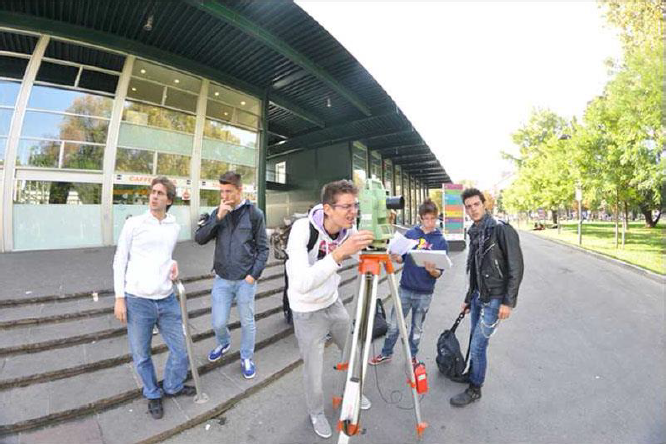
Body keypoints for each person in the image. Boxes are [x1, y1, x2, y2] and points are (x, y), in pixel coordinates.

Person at [285, 179, 374, 439]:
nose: (352, 212)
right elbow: (301, 284)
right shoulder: (303, 229)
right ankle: (316, 413)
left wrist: (387, 250)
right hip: (306, 310)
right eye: (346, 207)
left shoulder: (349, 229)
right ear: (328, 208)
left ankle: (353, 391)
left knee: (351, 350)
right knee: (314, 371)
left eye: (355, 206)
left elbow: (361, 254)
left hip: (332, 303)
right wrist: (339, 254)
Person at [113, 176, 194, 420]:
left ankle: (172, 386)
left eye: (160, 193)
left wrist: (173, 264)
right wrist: (119, 298)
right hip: (138, 300)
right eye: (152, 192)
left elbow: (164, 254)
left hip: (167, 298)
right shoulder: (134, 224)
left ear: (169, 200)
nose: (154, 196)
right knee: (141, 355)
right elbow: (120, 260)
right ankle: (152, 393)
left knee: (181, 350)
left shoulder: (174, 226)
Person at [450, 188, 524, 407]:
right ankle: (472, 373)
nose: (473, 209)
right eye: (468, 206)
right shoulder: (474, 231)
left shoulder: (501, 230)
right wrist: (468, 297)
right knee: (474, 339)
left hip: (495, 298)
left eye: (476, 204)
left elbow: (516, 267)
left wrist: (508, 302)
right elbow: (474, 268)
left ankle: (475, 388)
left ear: (484, 204)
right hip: (478, 297)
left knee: (478, 346)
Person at [195, 171, 269, 379]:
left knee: (247, 321)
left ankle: (246, 356)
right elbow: (200, 238)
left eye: (228, 191)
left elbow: (264, 249)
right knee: (218, 322)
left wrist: (253, 276)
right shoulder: (217, 212)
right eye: (221, 192)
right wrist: (217, 218)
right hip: (222, 279)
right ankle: (224, 342)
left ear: (239, 190)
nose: (224, 196)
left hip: (245, 279)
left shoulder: (255, 214)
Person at [369, 198, 448, 366]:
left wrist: (432, 271)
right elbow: (401, 259)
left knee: (417, 328)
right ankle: (386, 353)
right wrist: (396, 257)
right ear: (420, 218)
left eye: (432, 219)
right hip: (405, 288)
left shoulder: (441, 241)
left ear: (437, 218)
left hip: (425, 293)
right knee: (394, 326)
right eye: (426, 219)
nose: (429, 222)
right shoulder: (411, 234)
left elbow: (439, 273)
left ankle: (411, 356)